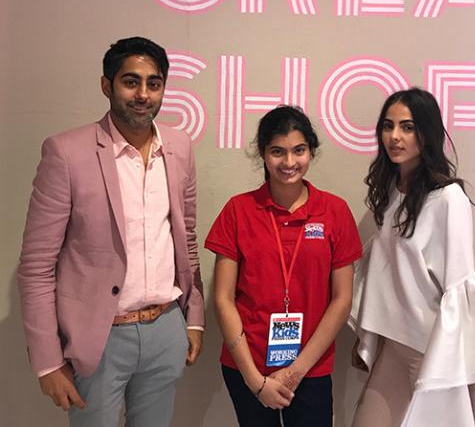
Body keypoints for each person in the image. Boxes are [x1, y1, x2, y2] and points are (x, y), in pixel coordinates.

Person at [17, 36, 204, 427]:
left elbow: (185, 238)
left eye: (154, 83)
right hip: (97, 337)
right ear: (107, 85)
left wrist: (193, 319)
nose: (143, 94)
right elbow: (36, 266)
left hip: (165, 328)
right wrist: (47, 361)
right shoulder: (66, 153)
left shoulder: (180, 146)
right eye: (130, 81)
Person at [350, 88, 475, 427]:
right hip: (393, 347)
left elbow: (459, 284)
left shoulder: (449, 199)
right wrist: (369, 336)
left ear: (427, 132)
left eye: (407, 127)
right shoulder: (391, 193)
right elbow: (384, 271)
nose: (395, 136)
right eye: (388, 126)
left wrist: (446, 361)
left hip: (431, 352)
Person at [205, 105, 362, 427]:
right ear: (263, 154)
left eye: (298, 151)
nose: (289, 163)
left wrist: (295, 371)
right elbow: (223, 298)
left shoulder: (334, 211)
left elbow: (342, 299)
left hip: (311, 367)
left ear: (311, 152)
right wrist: (254, 379)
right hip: (247, 366)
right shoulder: (238, 211)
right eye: (278, 151)